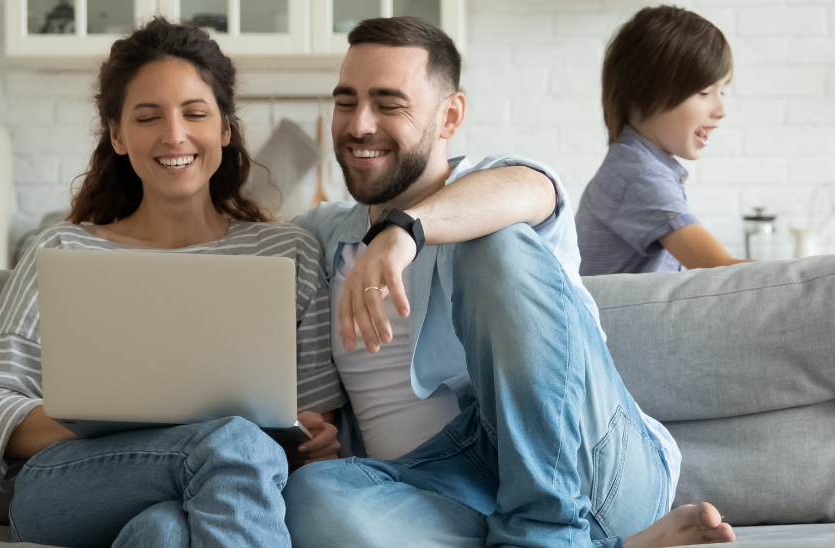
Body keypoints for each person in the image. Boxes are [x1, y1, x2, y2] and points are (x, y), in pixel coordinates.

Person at [280, 16, 735, 548]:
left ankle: (547, 532)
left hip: (593, 467)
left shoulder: (495, 184)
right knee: (310, 498)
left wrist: (404, 231)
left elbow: (530, 188)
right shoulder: (320, 236)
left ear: (450, 116)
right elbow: (234, 248)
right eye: (345, 102)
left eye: (389, 104)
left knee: (492, 239)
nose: (359, 124)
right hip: (443, 486)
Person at [0, 18, 344, 548]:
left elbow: (313, 422)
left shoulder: (287, 254)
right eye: (148, 116)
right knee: (233, 445)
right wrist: (114, 419)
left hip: (217, 483)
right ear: (117, 134)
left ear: (225, 129)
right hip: (71, 484)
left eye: (195, 113)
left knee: (161, 534)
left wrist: (317, 438)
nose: (174, 135)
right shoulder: (62, 250)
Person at [576, 6, 748, 276]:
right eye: (704, 92)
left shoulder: (642, 166)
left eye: (722, 91)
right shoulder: (639, 177)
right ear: (643, 92)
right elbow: (722, 271)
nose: (721, 109)